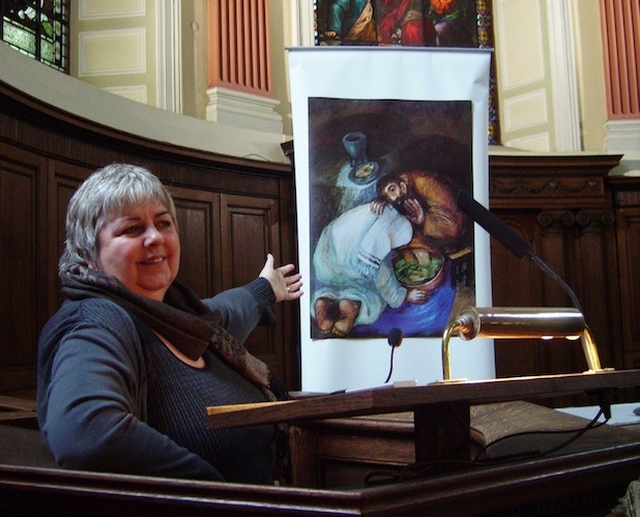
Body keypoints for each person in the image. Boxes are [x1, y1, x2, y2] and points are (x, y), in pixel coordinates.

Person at [36, 164, 303, 485]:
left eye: (163, 223)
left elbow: (225, 313)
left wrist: (263, 290)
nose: (155, 237)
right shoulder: (97, 320)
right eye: (132, 229)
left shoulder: (177, 314)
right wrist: (212, 490)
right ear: (89, 253)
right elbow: (84, 430)